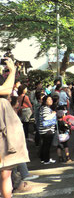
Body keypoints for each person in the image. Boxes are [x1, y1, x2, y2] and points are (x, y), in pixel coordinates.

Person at [0, 58, 30, 198]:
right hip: (3, 146)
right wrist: (12, 70)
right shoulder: (2, 104)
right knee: (5, 176)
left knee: (6, 177)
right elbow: (6, 89)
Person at [38, 95, 57, 164]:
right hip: (47, 130)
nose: (51, 101)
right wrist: (53, 114)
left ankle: (44, 158)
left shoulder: (43, 108)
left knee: (44, 145)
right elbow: (46, 118)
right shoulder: (45, 108)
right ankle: (46, 160)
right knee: (47, 146)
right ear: (45, 101)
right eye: (49, 100)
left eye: (51, 99)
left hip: (44, 130)